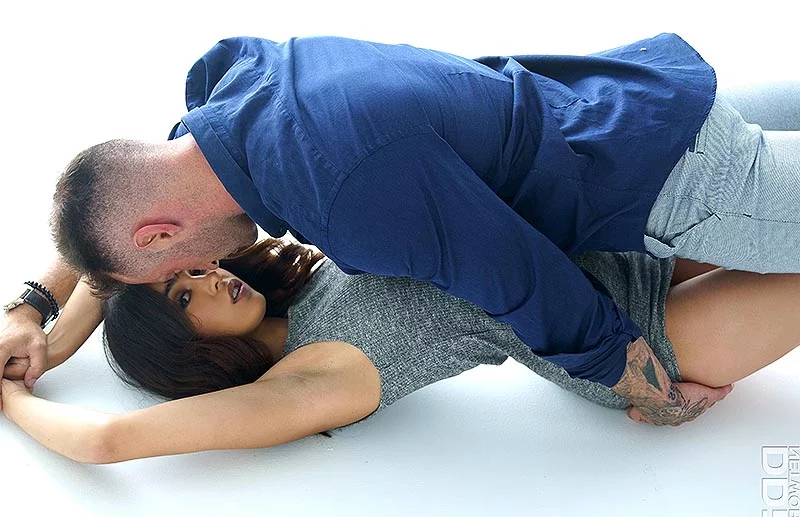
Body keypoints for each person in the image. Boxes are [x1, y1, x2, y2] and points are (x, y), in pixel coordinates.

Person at [2, 35, 799, 427]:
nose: (209, 266)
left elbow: (521, 277)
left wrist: (644, 391)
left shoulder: (343, 192)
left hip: (670, 182)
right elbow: (120, 199)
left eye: (169, 271)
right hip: (621, 100)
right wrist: (37, 312)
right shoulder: (231, 82)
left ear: (155, 238)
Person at [8, 236, 800, 464]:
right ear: (190, 354)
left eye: (191, 269)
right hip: (633, 338)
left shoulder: (303, 274)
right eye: (186, 300)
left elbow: (123, 222)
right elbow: (107, 440)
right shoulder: (309, 379)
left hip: (626, 242)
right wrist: (9, 394)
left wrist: (41, 318)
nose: (208, 277)